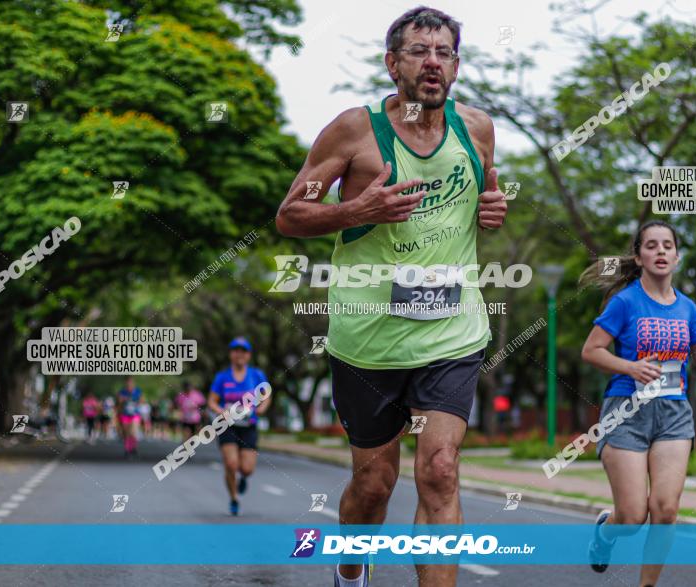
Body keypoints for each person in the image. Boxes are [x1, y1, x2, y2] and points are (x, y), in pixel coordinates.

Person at [275, 7, 508, 586]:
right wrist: (355, 210)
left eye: (444, 52)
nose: (433, 62)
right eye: (419, 51)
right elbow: (289, 214)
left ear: (455, 66)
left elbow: (488, 195)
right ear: (392, 63)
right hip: (367, 340)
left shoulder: (475, 128)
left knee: (440, 471)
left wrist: (493, 209)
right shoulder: (353, 131)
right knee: (374, 487)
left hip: (451, 332)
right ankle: (351, 569)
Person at [580, 220, 696, 586]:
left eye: (668, 245)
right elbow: (591, 350)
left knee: (665, 510)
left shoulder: (688, 308)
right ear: (639, 256)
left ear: (677, 256)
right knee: (632, 517)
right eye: (652, 245)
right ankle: (605, 534)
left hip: (673, 414)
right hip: (626, 412)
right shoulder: (625, 301)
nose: (661, 251)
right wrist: (630, 366)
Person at [207, 337, 272, 516]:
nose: (239, 354)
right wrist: (222, 411)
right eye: (235, 351)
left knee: (247, 468)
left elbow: (266, 396)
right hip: (228, 426)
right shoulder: (222, 377)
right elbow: (211, 401)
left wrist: (261, 409)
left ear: (248, 355)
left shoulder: (256, 375)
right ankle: (234, 498)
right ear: (231, 354)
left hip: (249, 426)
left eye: (243, 351)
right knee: (231, 463)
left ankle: (243, 478)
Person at [117, 377, 143, 458]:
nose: (129, 384)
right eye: (128, 383)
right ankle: (127, 449)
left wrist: (137, 400)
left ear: (133, 383)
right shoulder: (122, 392)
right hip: (125, 414)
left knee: (133, 432)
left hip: (135, 414)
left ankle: (134, 447)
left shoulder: (137, 391)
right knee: (127, 433)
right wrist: (123, 399)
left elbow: (142, 401)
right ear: (126, 383)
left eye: (131, 383)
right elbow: (119, 402)